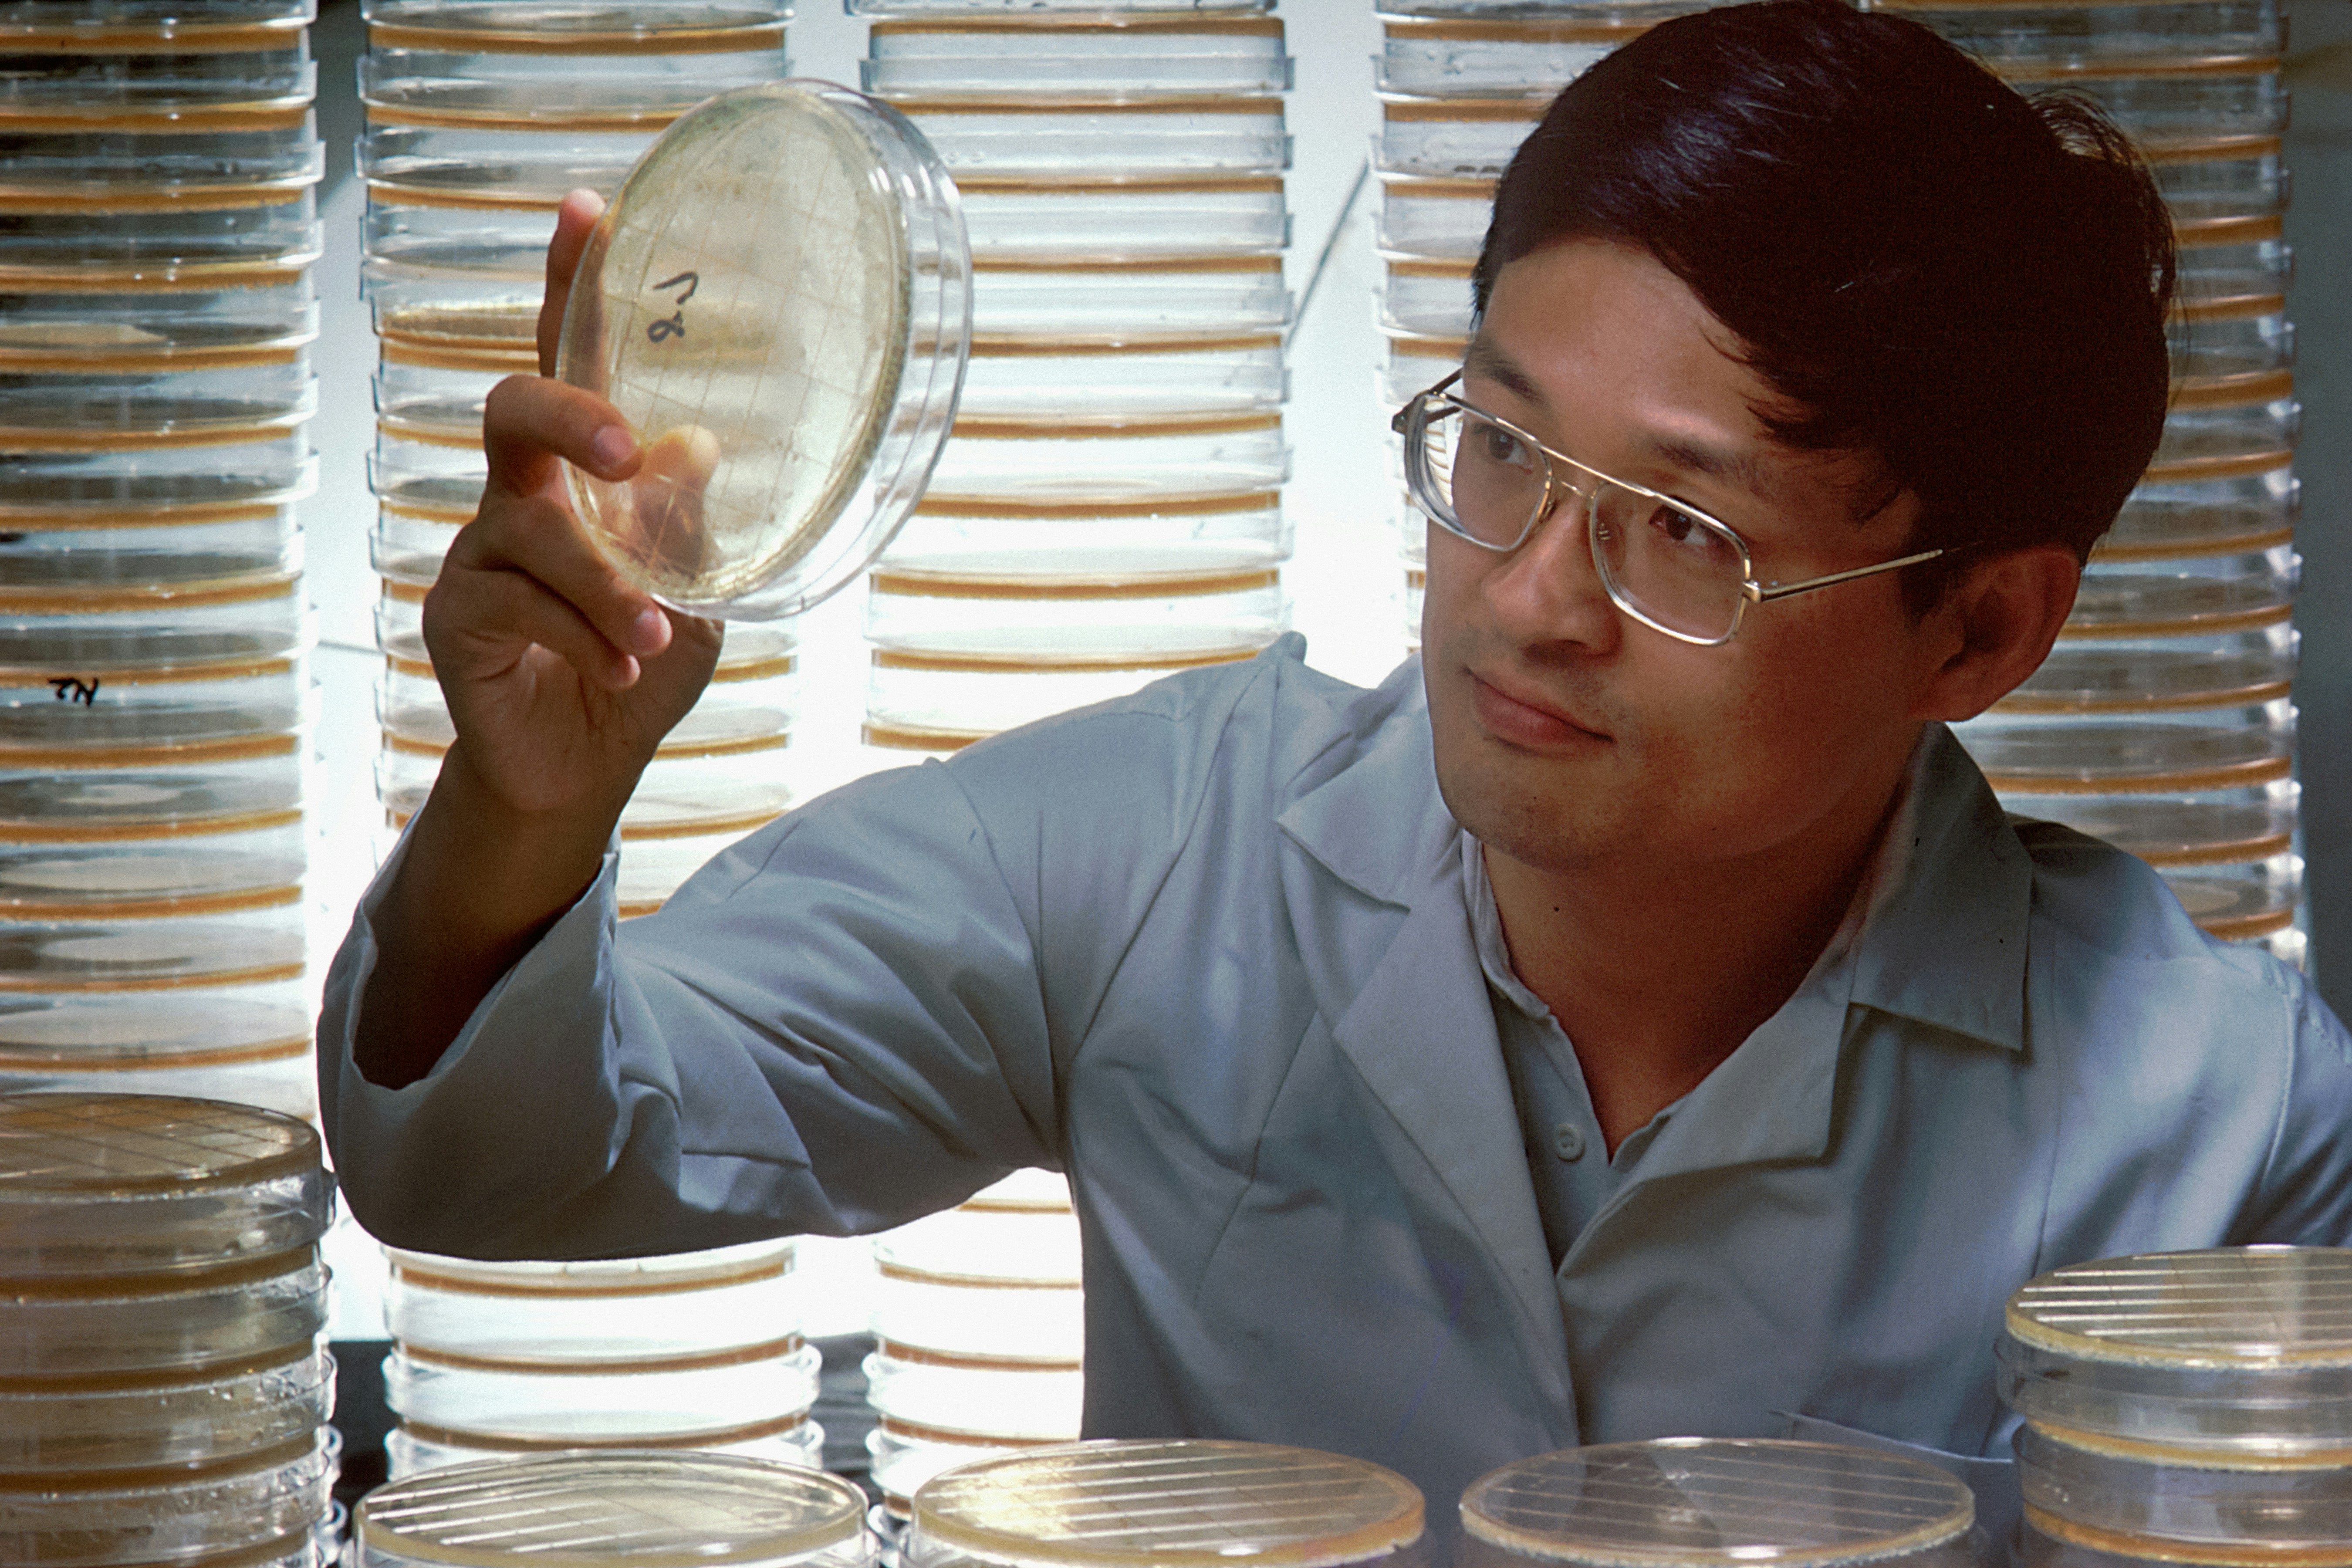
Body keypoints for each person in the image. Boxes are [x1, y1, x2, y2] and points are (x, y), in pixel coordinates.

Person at [320, 0, 2352, 1539]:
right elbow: (491, 1163)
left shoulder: (2225, 1127)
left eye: (1682, 533)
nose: (1528, 601)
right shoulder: (1153, 855)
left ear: (1983, 631)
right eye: (1496, 450)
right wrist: (530, 807)